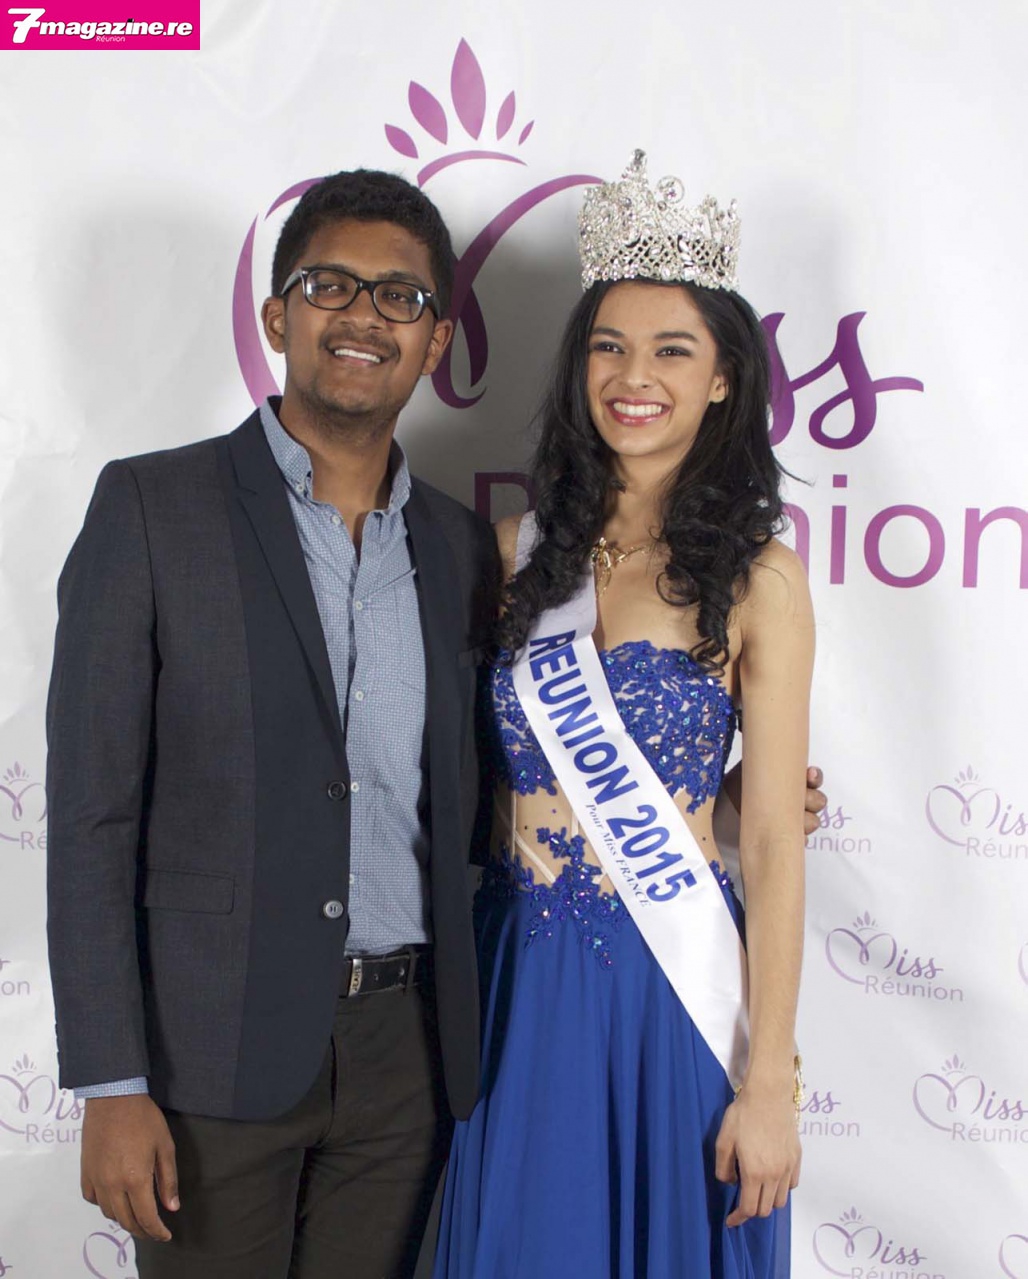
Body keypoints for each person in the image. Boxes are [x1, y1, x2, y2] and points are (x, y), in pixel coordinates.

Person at [46, 169, 501, 1279]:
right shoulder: (152, 508)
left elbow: (487, 789)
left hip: (406, 1054)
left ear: (436, 342)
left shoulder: (457, 546)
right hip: (207, 1053)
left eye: (399, 297)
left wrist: (722, 798)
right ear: (275, 316)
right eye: (330, 284)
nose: (364, 316)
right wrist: (111, 1083)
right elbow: (93, 814)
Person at [434, 152, 812, 1278]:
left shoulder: (761, 578)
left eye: (671, 349)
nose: (632, 375)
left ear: (723, 378)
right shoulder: (511, 555)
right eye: (608, 345)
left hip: (673, 990)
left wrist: (771, 1079)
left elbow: (775, 842)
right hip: (518, 981)